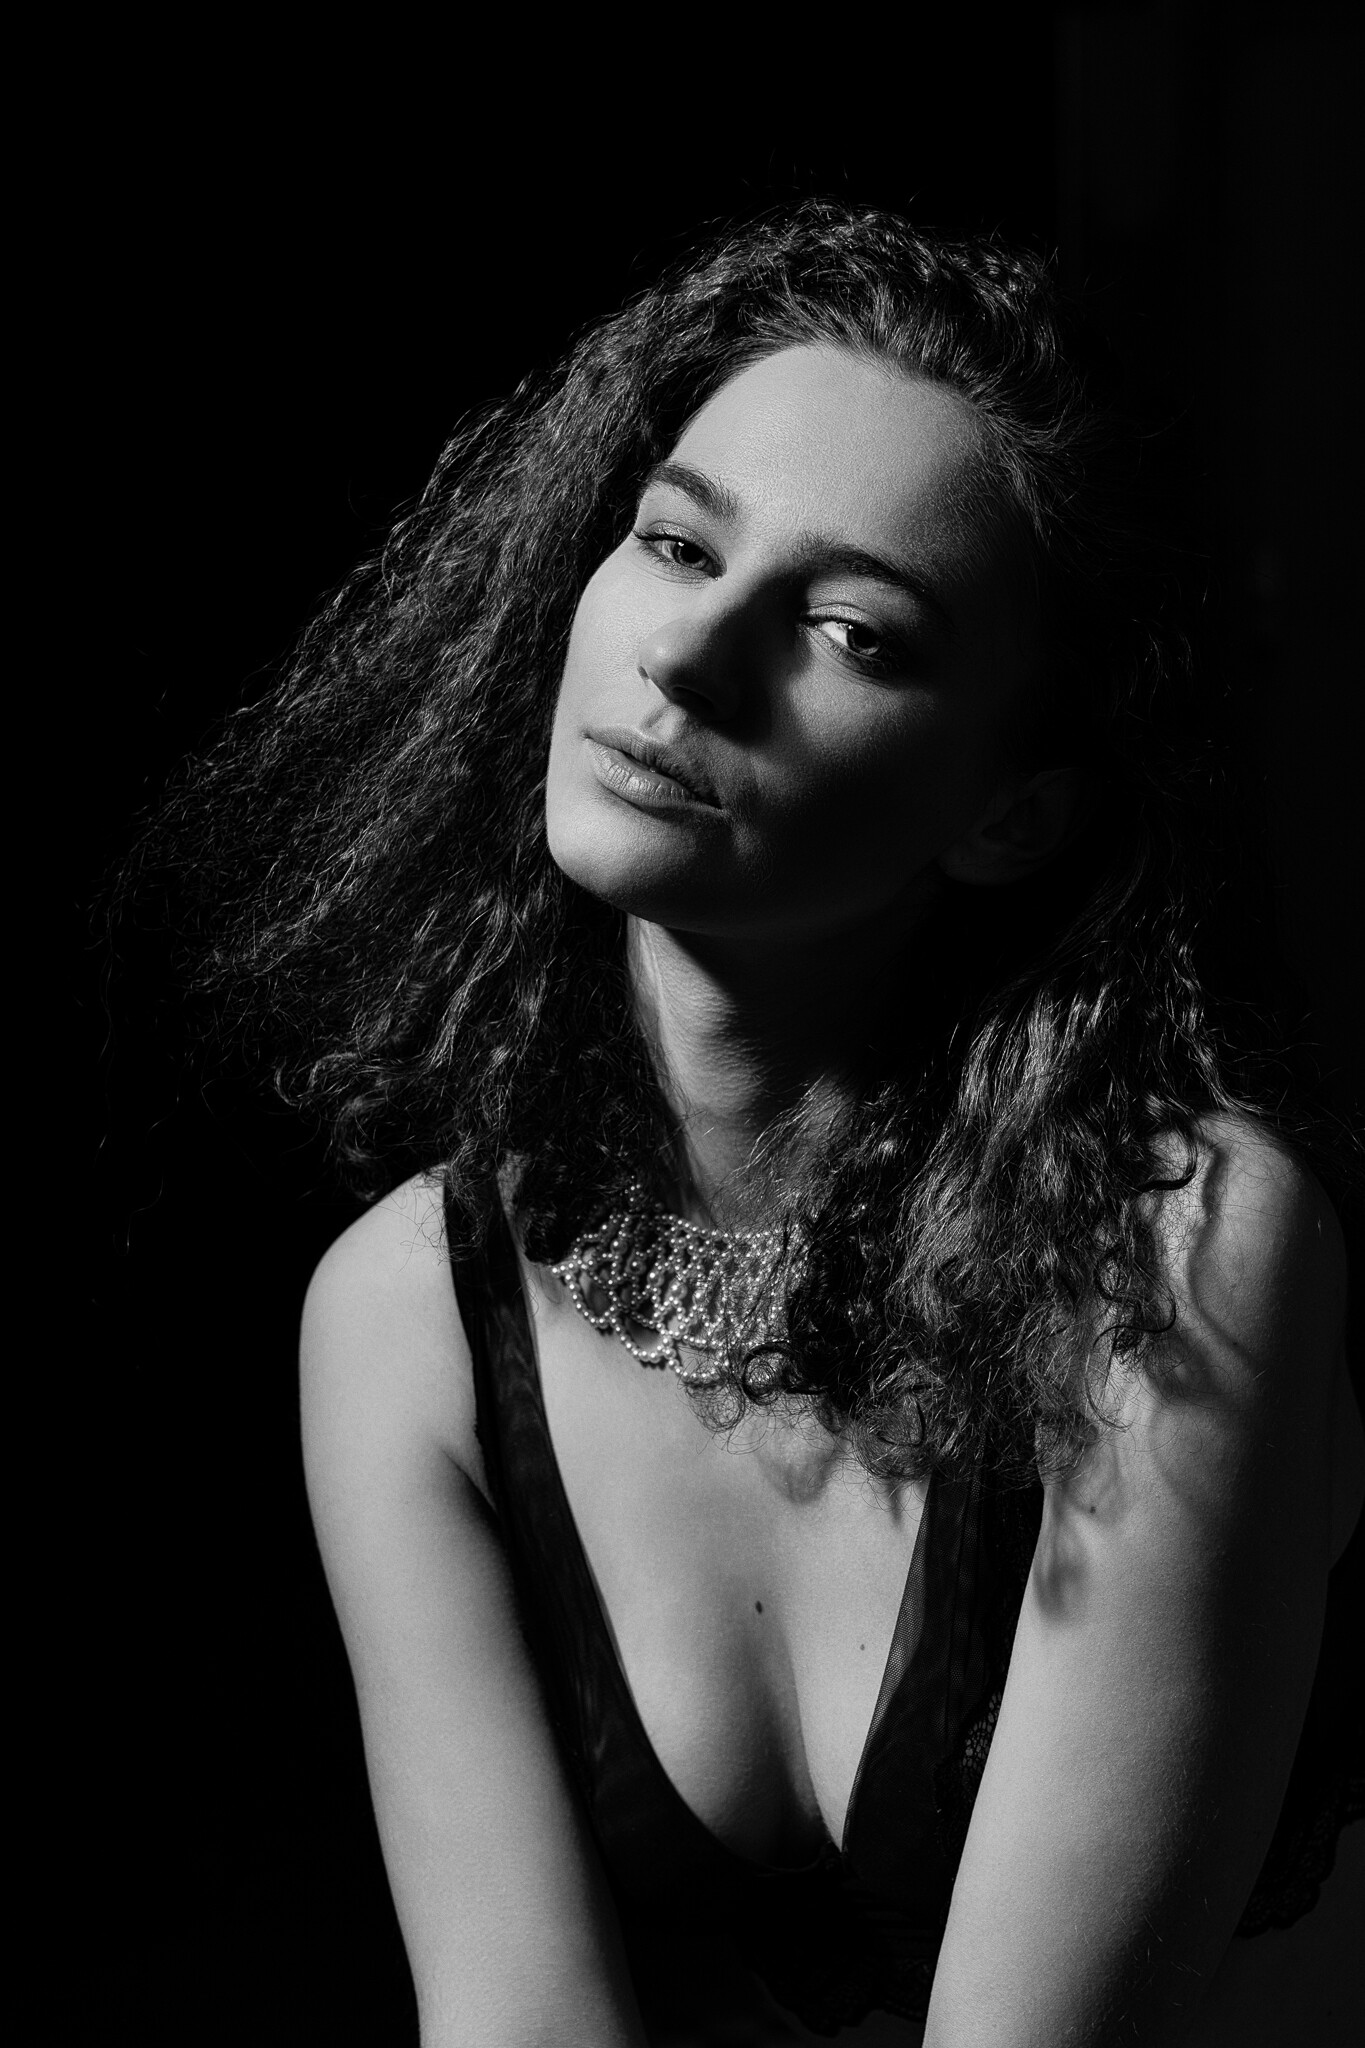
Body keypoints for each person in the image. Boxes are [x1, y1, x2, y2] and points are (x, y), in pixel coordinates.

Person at [147, 202, 1363, 2044]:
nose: (690, 654)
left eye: (850, 630)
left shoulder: (1175, 1252)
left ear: (1010, 814)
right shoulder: (410, 1319)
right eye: (671, 543)